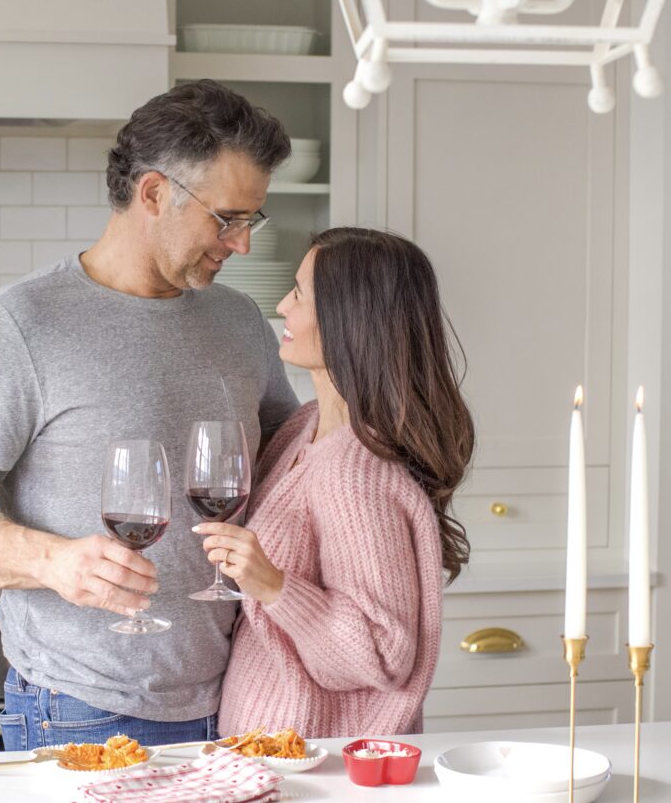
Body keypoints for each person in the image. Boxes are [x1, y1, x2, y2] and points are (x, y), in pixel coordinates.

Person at [0, 80, 299, 751]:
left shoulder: (240, 322)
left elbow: (290, 470)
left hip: (241, 698)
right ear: (154, 194)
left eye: (252, 220)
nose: (242, 243)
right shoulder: (22, 323)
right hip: (83, 708)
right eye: (227, 218)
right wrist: (54, 562)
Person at [195, 227, 475, 738]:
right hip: (270, 751)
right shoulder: (305, 428)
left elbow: (381, 651)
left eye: (299, 293)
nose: (282, 305)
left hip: (310, 765)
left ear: (349, 320)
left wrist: (273, 586)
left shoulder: (357, 471)